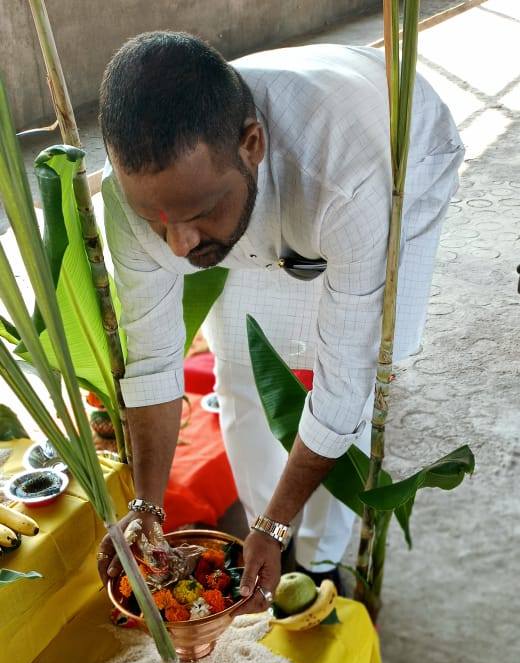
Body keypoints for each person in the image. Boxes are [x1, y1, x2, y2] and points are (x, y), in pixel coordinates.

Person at [97, 31, 463, 609]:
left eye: (198, 214)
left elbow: (344, 385)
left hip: (396, 160)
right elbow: (154, 361)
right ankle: (266, 534)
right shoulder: (139, 197)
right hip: (277, 187)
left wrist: (279, 522)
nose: (177, 247)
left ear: (252, 145)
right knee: (240, 361)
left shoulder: (347, 179)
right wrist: (147, 506)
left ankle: (319, 559)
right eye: (155, 221)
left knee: (359, 376)